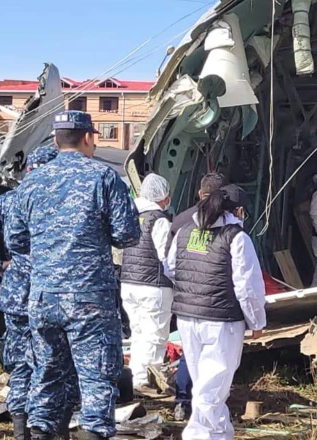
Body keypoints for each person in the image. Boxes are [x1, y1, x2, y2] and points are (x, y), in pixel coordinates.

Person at [6, 111, 141, 440]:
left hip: (43, 298)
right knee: (95, 377)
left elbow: (15, 239)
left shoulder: (32, 182)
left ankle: (38, 432)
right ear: (88, 138)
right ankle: (93, 432)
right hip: (88, 298)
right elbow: (127, 234)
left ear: (55, 139)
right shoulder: (103, 177)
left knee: (47, 374)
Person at [0, 146, 81, 440]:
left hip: (19, 294)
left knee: (21, 362)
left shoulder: (12, 200)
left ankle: (20, 429)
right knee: (60, 362)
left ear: (28, 170)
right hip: (57, 291)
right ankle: (57, 429)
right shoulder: (69, 202)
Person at [165, 186, 266, 440]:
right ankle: (199, 435)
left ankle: (220, 433)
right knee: (214, 386)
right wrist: (257, 320)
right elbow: (247, 286)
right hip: (222, 320)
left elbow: (170, 268)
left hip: (187, 317)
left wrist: (192, 293)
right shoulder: (237, 237)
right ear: (239, 211)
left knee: (205, 382)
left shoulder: (186, 232)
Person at [166, 172, 226, 421]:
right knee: (216, 360)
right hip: (216, 304)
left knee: (189, 356)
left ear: (200, 193)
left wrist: (185, 286)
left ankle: (182, 402)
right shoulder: (228, 224)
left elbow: (169, 266)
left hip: (187, 303)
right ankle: (208, 414)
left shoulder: (181, 222)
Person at [121, 173, 175, 395]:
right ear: (163, 197)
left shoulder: (132, 216)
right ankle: (147, 380)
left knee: (139, 332)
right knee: (155, 336)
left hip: (129, 283)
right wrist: (178, 281)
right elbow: (166, 257)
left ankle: (136, 376)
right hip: (153, 285)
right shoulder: (159, 219)